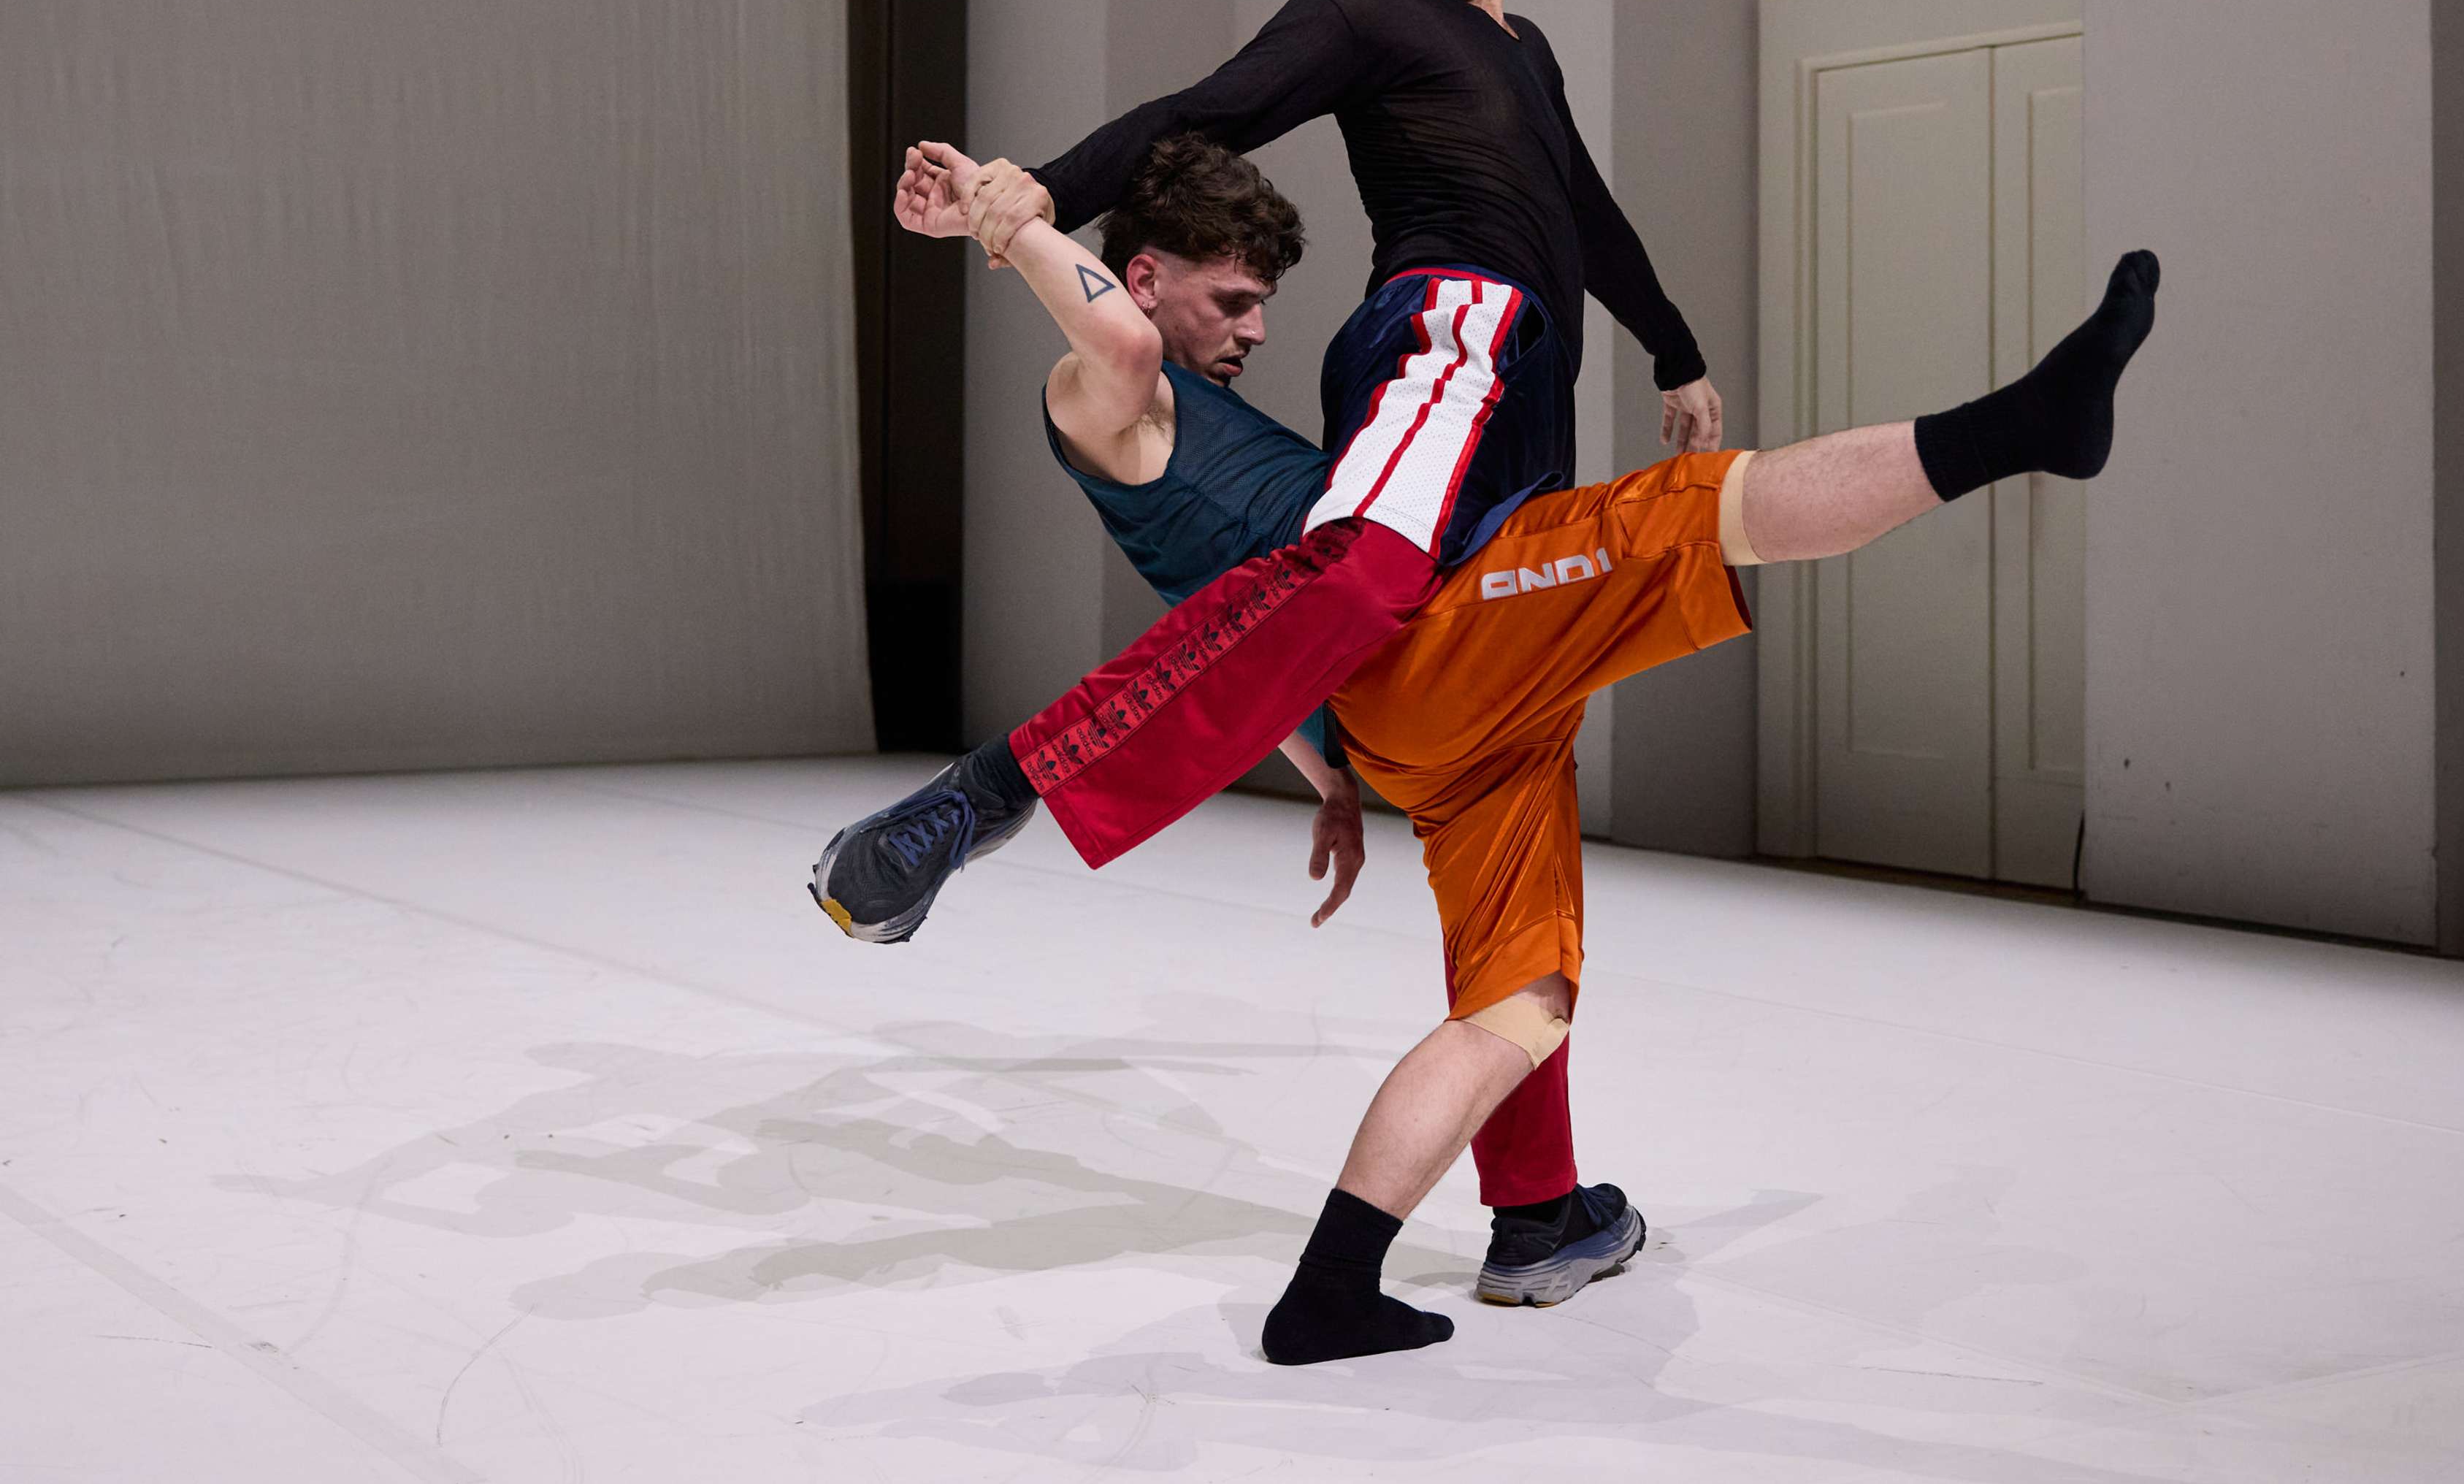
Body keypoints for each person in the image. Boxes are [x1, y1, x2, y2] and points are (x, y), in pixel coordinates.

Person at [822, 134, 2164, 1365]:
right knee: (1690, 513)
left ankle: (1482, 1236)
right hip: (1436, 637)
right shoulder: (1111, 398)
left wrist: (1329, 775)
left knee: (1521, 995)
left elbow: (1251, 618)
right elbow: (1119, 351)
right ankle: (2022, 428)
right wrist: (1000, 212)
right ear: (1145, 276)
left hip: (1414, 715)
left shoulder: (1190, 422)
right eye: (1230, 300)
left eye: (1263, 304)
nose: (1254, 329)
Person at [811, 0, 1723, 948]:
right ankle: (991, 791)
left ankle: (1515, 1002)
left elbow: (1586, 212)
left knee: (1489, 671)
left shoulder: (1530, 49)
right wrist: (1041, 191)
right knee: (1363, 582)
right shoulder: (1366, 13)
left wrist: (1675, 352)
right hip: (1449, 337)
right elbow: (1205, 113)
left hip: (1534, 396)